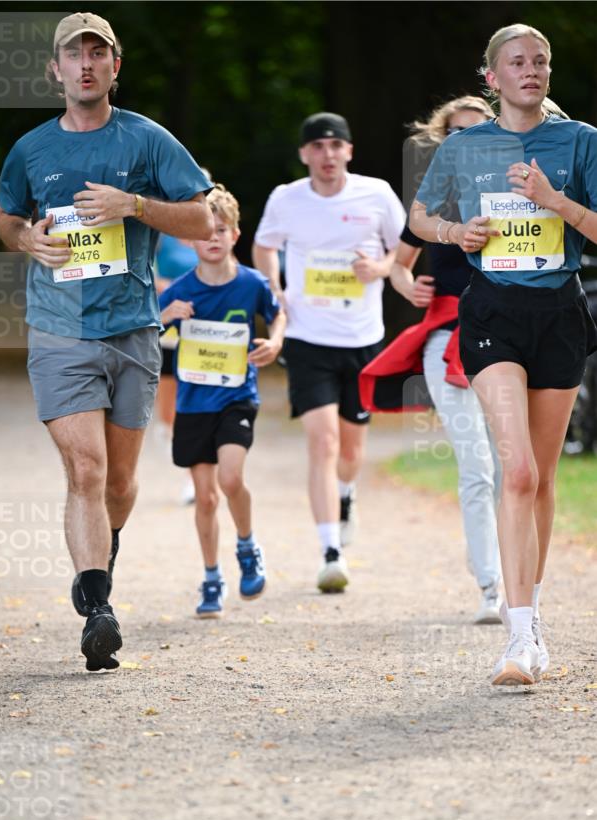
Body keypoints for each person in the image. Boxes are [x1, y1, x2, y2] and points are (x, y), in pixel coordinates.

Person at [0, 11, 213, 671]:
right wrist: (25, 238)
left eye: (98, 53)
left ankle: (101, 554)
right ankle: (98, 609)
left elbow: (203, 218)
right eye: (74, 54)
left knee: (119, 481)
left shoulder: (147, 140)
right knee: (85, 470)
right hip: (58, 328)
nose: (85, 64)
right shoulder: (31, 149)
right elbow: (7, 216)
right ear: (55, 69)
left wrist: (136, 205)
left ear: (115, 67)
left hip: (132, 330)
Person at [410, 24, 597, 686]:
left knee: (540, 478)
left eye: (540, 61)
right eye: (517, 61)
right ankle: (517, 638)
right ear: (491, 77)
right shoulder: (463, 146)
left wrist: (555, 202)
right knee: (515, 471)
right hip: (492, 312)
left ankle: (532, 617)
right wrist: (453, 230)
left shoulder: (580, 141)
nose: (531, 69)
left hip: (559, 315)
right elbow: (418, 217)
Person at [360, 96, 503, 625]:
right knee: (477, 468)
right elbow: (397, 267)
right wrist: (407, 287)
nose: (467, 140)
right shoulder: (430, 204)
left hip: (511, 340)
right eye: (456, 132)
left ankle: (503, 565)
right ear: (443, 141)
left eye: (477, 130)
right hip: (448, 346)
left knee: (512, 468)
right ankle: (491, 586)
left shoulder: (516, 195)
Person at [253, 113, 405, 593]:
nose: (327, 154)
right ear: (304, 154)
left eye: (335, 145)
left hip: (362, 338)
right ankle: (330, 551)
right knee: (323, 443)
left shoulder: (376, 193)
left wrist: (379, 268)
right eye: (317, 146)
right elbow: (263, 246)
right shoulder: (286, 198)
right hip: (307, 338)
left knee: (351, 449)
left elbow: (404, 251)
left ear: (349, 151)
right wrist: (274, 288)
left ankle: (346, 494)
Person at [159, 184, 285, 617]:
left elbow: (278, 314)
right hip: (193, 403)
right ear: (189, 239)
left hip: (237, 397)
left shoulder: (251, 283)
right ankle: (212, 577)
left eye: (221, 229)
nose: (212, 238)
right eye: (204, 231)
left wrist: (275, 342)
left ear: (235, 234)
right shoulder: (179, 290)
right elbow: (145, 331)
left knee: (230, 479)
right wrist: (165, 316)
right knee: (206, 498)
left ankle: (247, 547)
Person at [154, 235, 200, 504]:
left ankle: (192, 477)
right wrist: (166, 287)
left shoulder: (209, 233)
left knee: (192, 406)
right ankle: (170, 437)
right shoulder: (163, 236)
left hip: (201, 329)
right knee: (169, 413)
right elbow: (142, 268)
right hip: (168, 330)